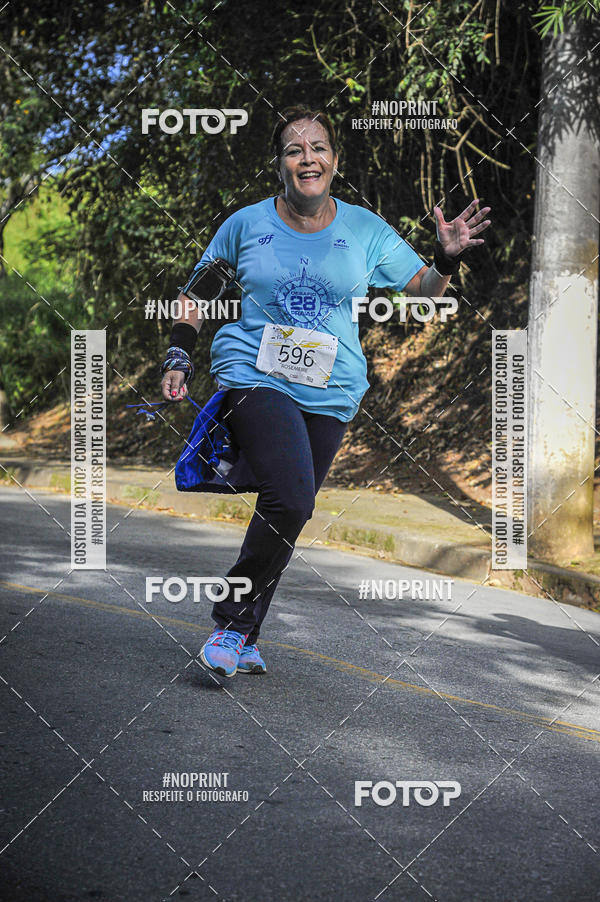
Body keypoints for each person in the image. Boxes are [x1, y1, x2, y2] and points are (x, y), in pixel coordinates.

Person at [160, 105, 491, 678]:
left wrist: (445, 256)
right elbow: (197, 292)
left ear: (334, 160)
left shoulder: (363, 228)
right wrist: (179, 353)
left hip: (331, 387)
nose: (306, 158)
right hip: (255, 371)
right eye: (294, 150)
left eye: (317, 148)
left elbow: (423, 287)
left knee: (290, 509)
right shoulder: (246, 223)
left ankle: (246, 635)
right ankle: (231, 623)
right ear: (280, 165)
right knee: (290, 497)